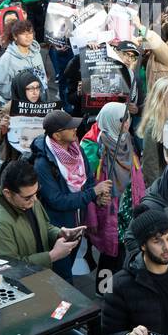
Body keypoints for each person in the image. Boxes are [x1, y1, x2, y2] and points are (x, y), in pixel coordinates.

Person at [30, 111, 112, 278]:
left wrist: (97, 198)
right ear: (57, 135)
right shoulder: (43, 164)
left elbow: (88, 182)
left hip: (77, 225)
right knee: (61, 276)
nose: (75, 128)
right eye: (69, 127)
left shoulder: (78, 150)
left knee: (69, 268)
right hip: (59, 229)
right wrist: (93, 193)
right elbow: (57, 201)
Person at [0, 158, 87, 271]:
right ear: (7, 193)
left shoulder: (26, 198)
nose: (34, 200)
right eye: (28, 197)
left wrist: (59, 233)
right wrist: (52, 256)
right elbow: (6, 269)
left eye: (36, 192)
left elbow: (43, 225)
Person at [81, 101, 146, 280]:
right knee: (110, 254)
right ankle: (104, 290)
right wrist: (92, 214)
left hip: (127, 205)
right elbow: (87, 185)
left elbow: (136, 172)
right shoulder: (94, 147)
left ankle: (117, 287)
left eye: (128, 119)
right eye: (122, 120)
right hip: (108, 208)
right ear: (110, 121)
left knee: (123, 249)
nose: (127, 124)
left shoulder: (125, 138)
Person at [137, 75, 168, 182]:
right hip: (164, 182)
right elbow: (150, 165)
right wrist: (156, 191)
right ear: (161, 97)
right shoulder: (153, 126)